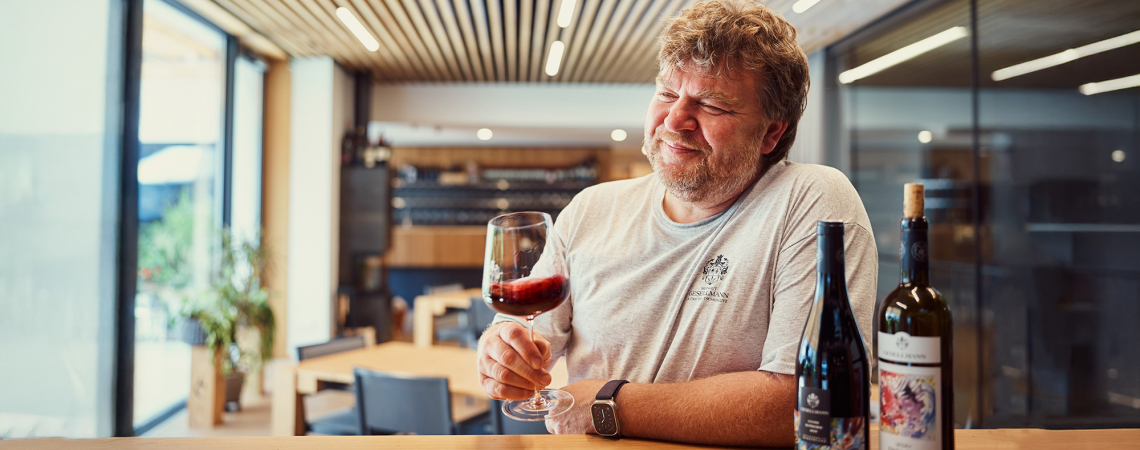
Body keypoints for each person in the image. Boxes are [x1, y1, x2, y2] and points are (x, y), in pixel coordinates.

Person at [475, 0, 877, 446]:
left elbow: (810, 403)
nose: (674, 119)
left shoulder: (812, 201)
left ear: (771, 133)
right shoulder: (590, 209)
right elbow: (529, 340)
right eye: (667, 93)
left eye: (711, 105)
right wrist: (500, 351)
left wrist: (609, 405)